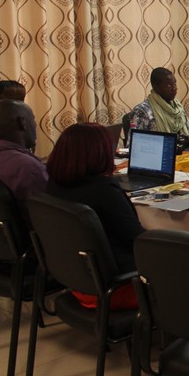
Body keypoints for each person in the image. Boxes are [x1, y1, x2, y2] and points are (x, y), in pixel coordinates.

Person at [45, 122, 143, 309]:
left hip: (79, 281)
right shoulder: (103, 191)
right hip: (117, 288)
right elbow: (137, 239)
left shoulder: (53, 185)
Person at [129, 67, 189, 137]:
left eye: (174, 83)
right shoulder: (142, 111)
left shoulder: (178, 108)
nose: (174, 88)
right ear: (156, 88)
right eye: (169, 85)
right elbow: (133, 142)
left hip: (183, 144)